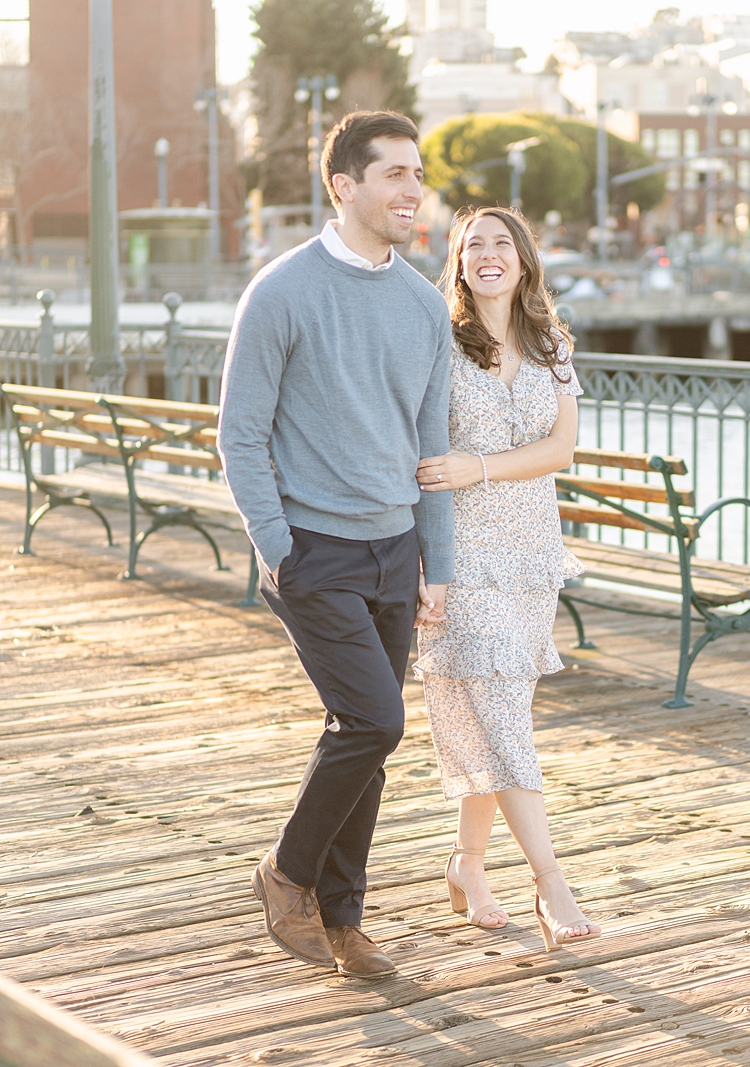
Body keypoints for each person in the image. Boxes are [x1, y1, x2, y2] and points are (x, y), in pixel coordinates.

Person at [218, 111, 454, 981]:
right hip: (312, 550)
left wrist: (440, 566)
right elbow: (239, 434)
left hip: (396, 551)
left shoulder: (424, 304)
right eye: (394, 173)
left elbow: (430, 455)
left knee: (365, 735)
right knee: (375, 719)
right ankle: (286, 872)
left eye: (418, 172)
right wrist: (275, 546)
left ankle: (344, 922)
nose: (413, 190)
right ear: (344, 187)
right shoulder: (281, 291)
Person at [412, 206, 601, 952]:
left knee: (496, 720)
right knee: (502, 723)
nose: (488, 255)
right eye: (472, 246)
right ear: (457, 264)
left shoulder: (551, 343)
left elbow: (561, 449)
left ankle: (468, 863)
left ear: (522, 261)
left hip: (532, 559)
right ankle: (551, 879)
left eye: (501, 243)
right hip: (461, 560)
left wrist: (479, 466)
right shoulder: (439, 345)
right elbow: (424, 455)